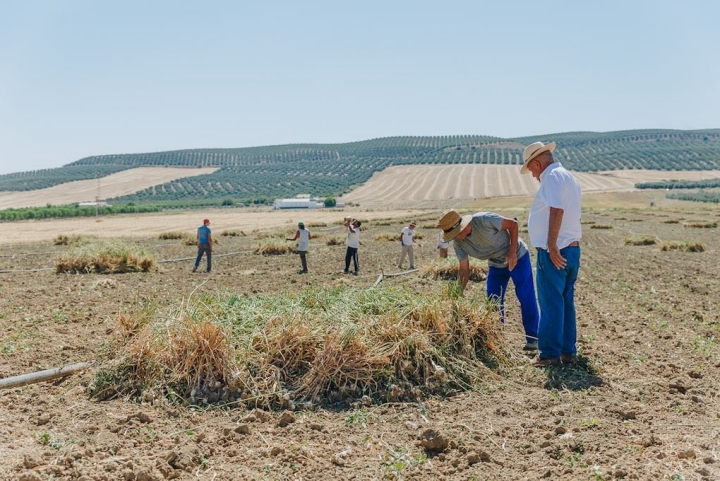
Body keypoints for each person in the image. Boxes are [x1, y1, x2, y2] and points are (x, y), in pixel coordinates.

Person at [438, 209, 540, 351]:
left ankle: (533, 338)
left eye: (456, 233)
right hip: (496, 263)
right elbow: (464, 270)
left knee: (525, 295)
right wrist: (458, 292)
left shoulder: (484, 220)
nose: (455, 237)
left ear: (463, 225)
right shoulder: (459, 244)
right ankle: (497, 340)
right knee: (493, 301)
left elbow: (513, 224)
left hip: (517, 256)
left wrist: (512, 253)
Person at [521, 141, 582, 367]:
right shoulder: (569, 178)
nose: (534, 176)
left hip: (555, 250)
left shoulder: (553, 177)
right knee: (565, 301)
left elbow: (557, 209)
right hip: (572, 248)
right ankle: (567, 352)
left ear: (537, 163)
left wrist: (552, 244)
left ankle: (549, 355)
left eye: (532, 170)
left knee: (550, 302)